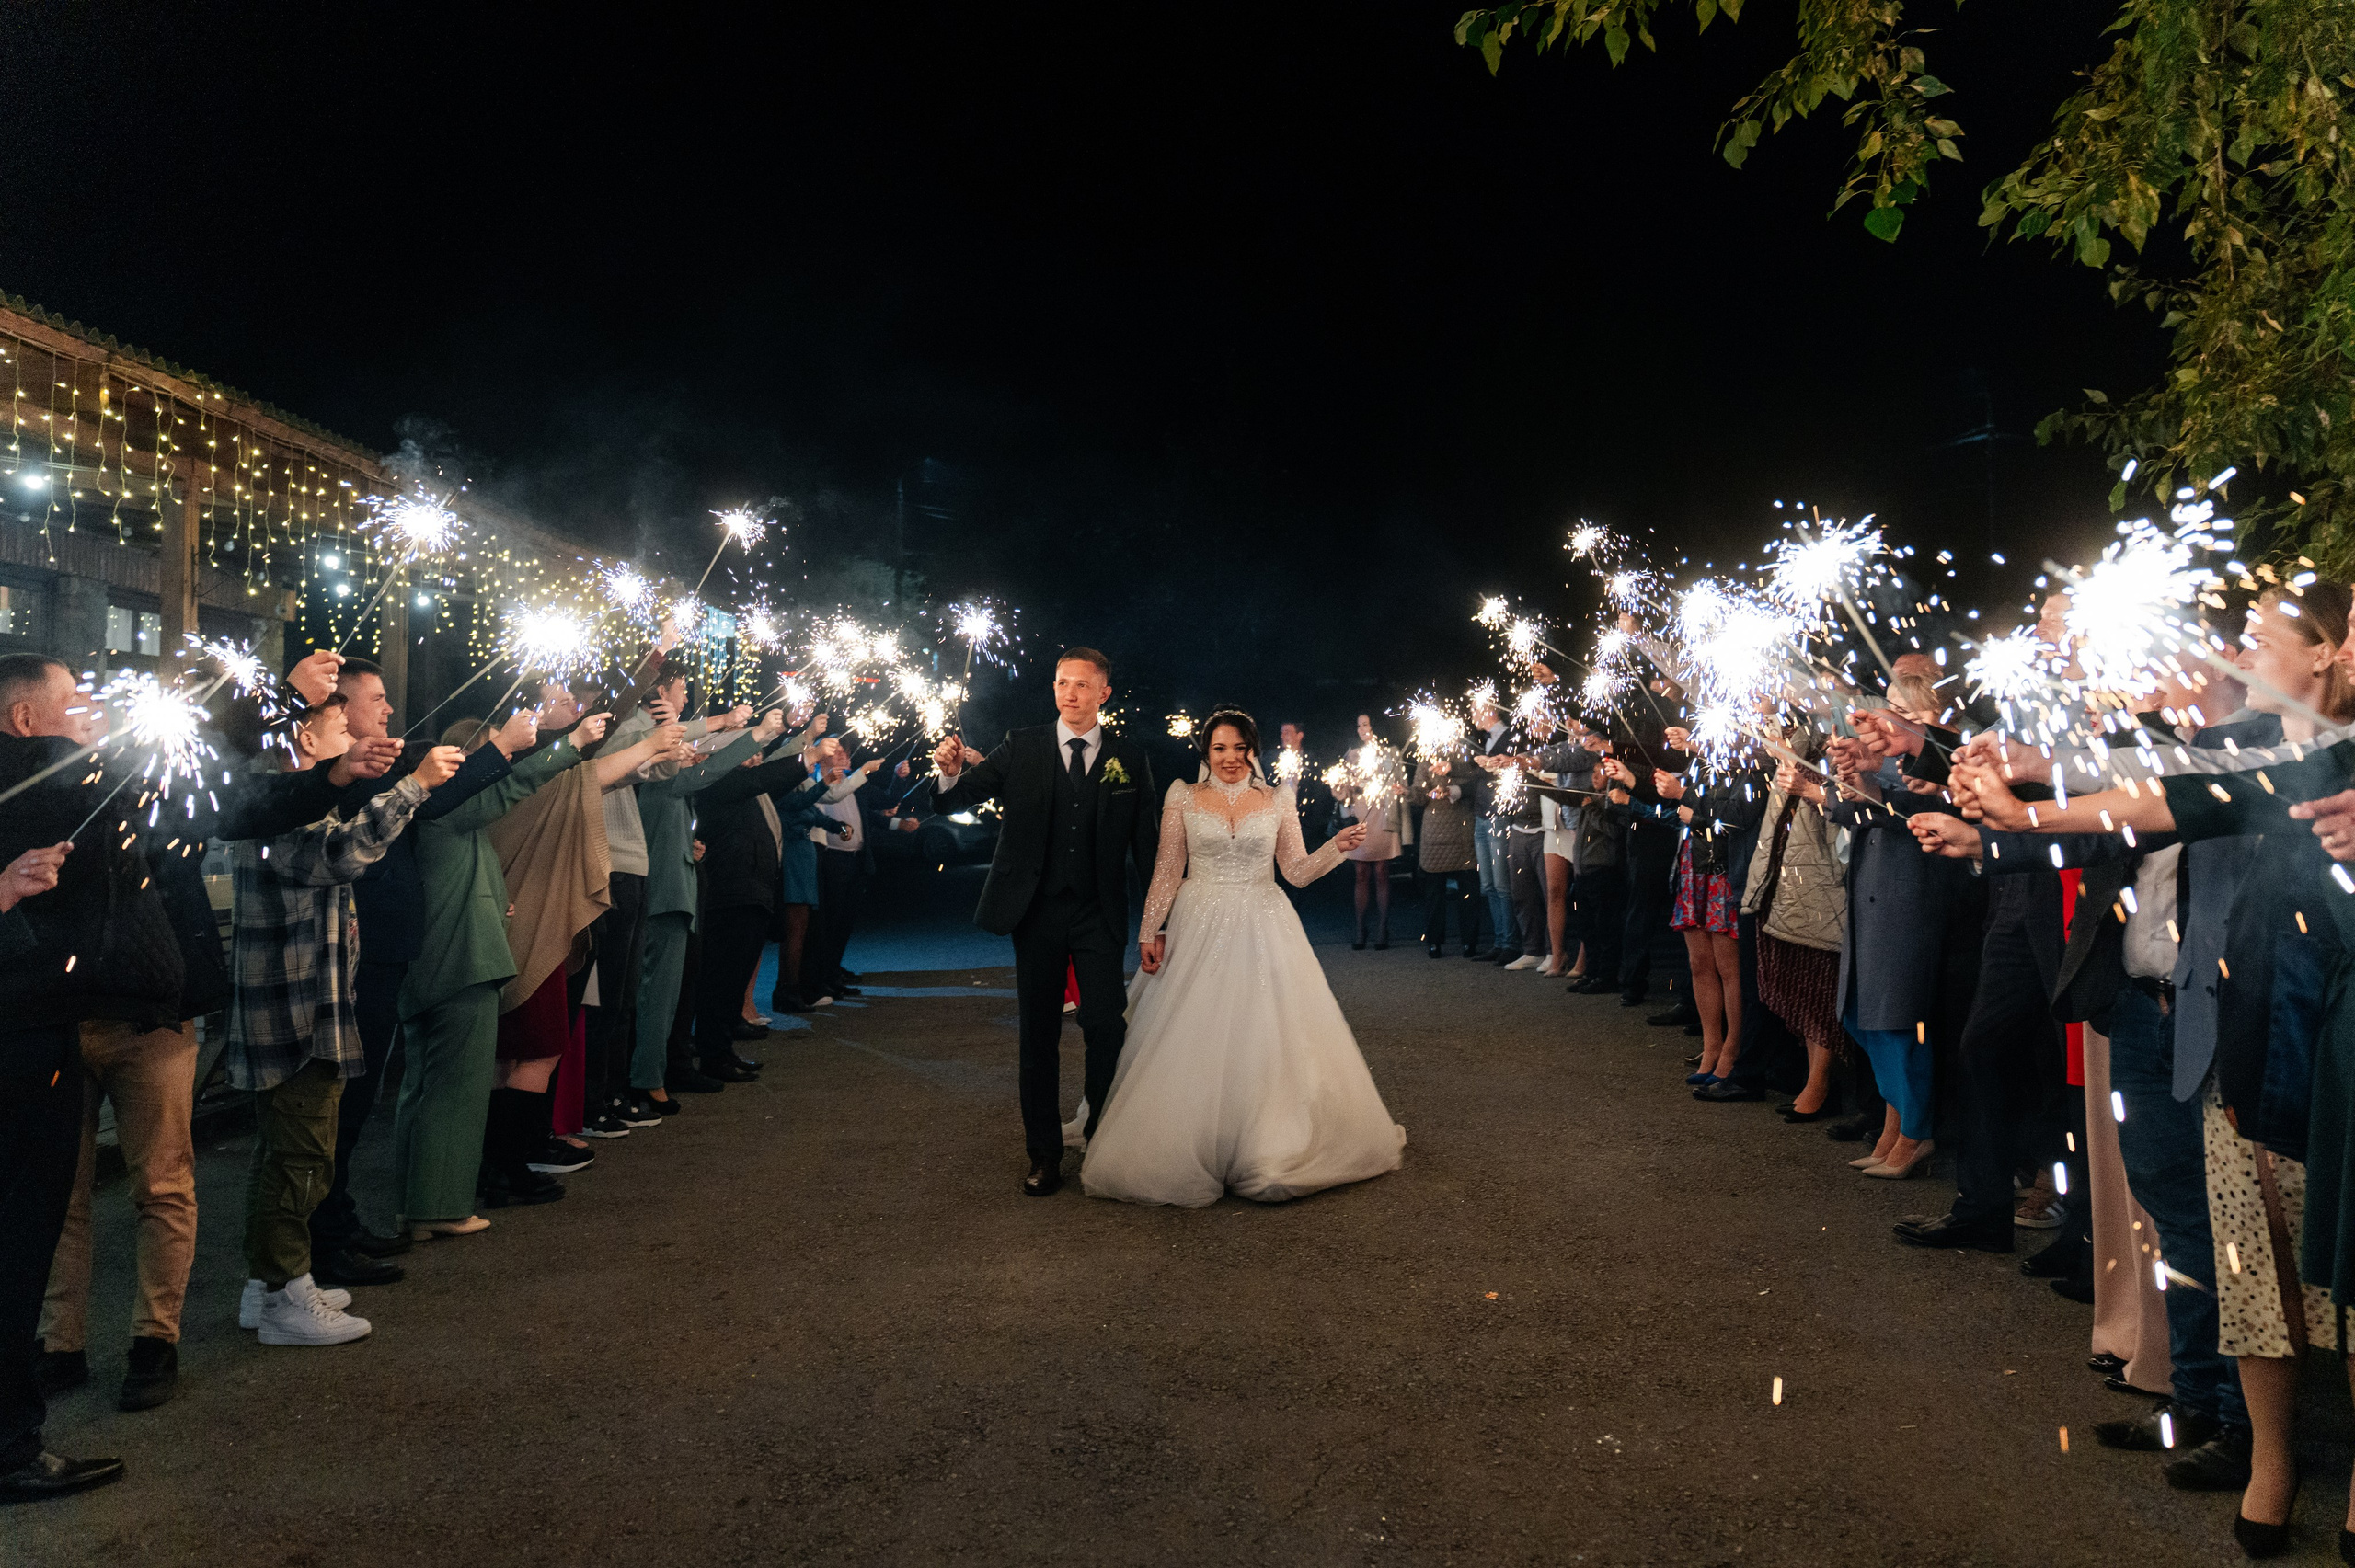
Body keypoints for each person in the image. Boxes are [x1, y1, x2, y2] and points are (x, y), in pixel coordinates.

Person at [1072, 711, 1402, 1206]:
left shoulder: (1277, 800)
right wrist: (1150, 930)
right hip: (1197, 921)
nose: (1230, 758)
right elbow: (1167, 870)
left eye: (1240, 748)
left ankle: (1266, 1141)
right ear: (1205, 752)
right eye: (1220, 748)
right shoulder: (1182, 796)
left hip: (1264, 920)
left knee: (1265, 1032)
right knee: (1190, 1031)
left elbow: (1295, 871)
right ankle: (1188, 1138)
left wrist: (1335, 847)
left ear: (1254, 750)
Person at [226, 700, 458, 1345]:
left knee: (286, 1153)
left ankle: (267, 1282)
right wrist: (414, 787)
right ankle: (285, 1292)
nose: (351, 739)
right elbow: (341, 854)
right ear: (306, 737)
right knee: (300, 1156)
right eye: (338, 731)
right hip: (294, 1010)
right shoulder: (279, 809)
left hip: (308, 1001)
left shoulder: (281, 801)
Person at [308, 658, 522, 1278]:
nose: (389, 708)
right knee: (343, 1104)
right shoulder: (338, 776)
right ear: (340, 708)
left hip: (387, 947)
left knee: (360, 1094)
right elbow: (429, 805)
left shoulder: (373, 765)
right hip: (361, 949)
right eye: (375, 697)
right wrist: (501, 749)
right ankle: (321, 1243)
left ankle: (338, 1221)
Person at [929, 647, 1161, 1197]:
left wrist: (1159, 922)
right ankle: (1043, 1155)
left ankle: (1103, 1135)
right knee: (1038, 1036)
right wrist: (949, 772)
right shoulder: (1022, 745)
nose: (1070, 693)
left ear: (1103, 693)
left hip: (1099, 913)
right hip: (1035, 913)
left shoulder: (1128, 756)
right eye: (1062, 683)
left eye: (1082, 685)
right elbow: (957, 798)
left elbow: (1148, 846)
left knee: (1106, 1026)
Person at [394, 709, 612, 1239]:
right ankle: (438, 1206)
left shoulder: (444, 814)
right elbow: (510, 788)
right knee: (455, 1094)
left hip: (445, 960)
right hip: (460, 961)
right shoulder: (446, 809)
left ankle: (421, 1200)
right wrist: (568, 744)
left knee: (427, 1089)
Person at [629, 665, 772, 1107]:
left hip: (674, 879)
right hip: (660, 884)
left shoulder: (658, 751)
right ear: (656, 697)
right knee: (655, 995)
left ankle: (656, 1072)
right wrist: (753, 736)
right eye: (680, 689)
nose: (686, 697)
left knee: (670, 994)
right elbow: (693, 781)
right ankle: (646, 1079)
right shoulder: (643, 747)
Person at [805, 739, 884, 1003]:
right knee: (830, 921)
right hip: (832, 858)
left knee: (844, 921)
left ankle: (833, 975)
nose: (841, 757)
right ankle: (822, 979)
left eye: (843, 753)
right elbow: (826, 802)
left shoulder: (850, 783)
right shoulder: (817, 782)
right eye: (834, 752)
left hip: (854, 858)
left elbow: (879, 807)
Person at [1331, 714, 1407, 950]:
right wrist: (1342, 784)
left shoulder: (1392, 752)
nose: (1362, 729)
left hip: (1382, 816)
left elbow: (1401, 788)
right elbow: (1341, 793)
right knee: (1361, 871)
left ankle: (1383, 928)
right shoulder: (1351, 755)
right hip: (1361, 817)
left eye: (1366, 724)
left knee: (1382, 871)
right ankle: (1360, 927)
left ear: (1375, 726)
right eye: (1358, 725)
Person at [1413, 750, 1477, 957]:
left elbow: (1476, 783)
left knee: (1467, 891)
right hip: (1435, 834)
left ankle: (1469, 942)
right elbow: (1419, 796)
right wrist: (1408, 793)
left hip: (1462, 829)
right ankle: (1434, 942)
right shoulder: (1425, 761)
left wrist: (1451, 789)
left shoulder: (1465, 757)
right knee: (1433, 892)